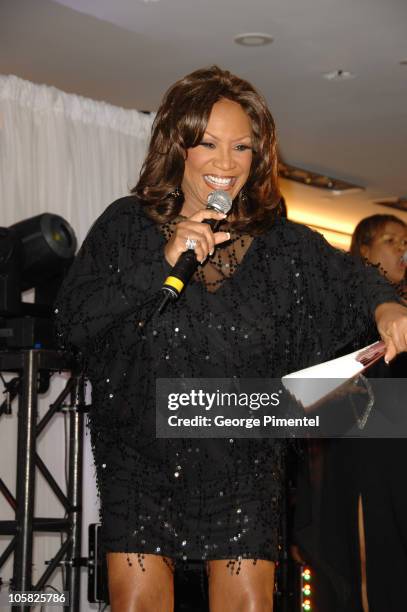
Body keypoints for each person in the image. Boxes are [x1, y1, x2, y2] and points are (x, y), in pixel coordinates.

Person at [54, 66, 407, 612]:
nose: (225, 163)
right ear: (179, 146)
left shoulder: (282, 245)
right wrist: (162, 263)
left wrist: (387, 306)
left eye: (241, 147)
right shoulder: (127, 227)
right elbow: (73, 319)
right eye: (209, 144)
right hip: (142, 463)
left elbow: (353, 277)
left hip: (243, 465)